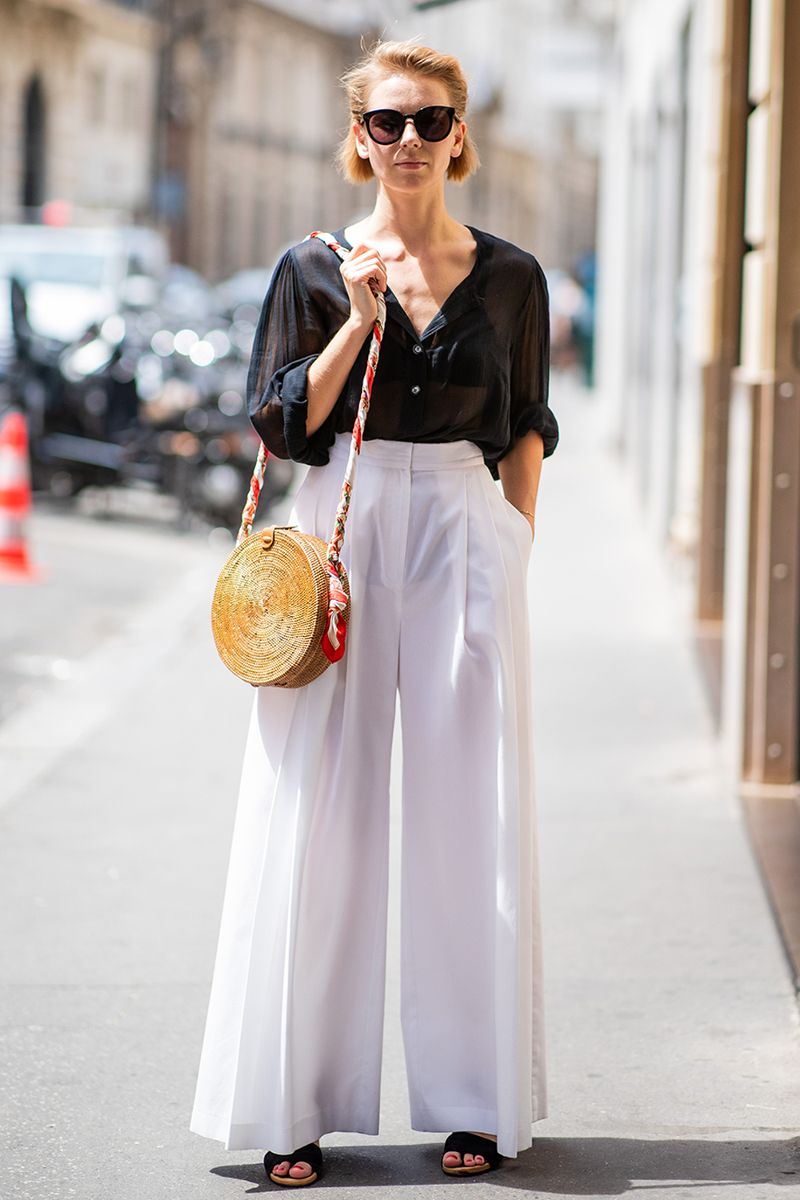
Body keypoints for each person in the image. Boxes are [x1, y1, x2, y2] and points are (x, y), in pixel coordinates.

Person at [190, 38, 559, 1187]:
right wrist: (354, 319)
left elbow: (527, 422)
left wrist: (512, 539)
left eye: (431, 120)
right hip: (336, 537)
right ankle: (289, 1102)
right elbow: (281, 426)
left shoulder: (510, 278)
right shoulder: (310, 266)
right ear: (357, 138)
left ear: (461, 136)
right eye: (387, 122)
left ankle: (473, 1102)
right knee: (318, 813)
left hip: (459, 523)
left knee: (469, 817)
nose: (410, 141)